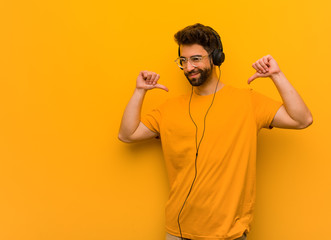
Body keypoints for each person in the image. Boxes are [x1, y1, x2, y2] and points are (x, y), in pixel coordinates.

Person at [118, 23, 313, 240]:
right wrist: (139, 92)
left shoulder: (247, 102)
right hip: (177, 231)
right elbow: (127, 134)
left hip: (228, 234)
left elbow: (302, 119)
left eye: (196, 58)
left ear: (216, 57)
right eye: (183, 60)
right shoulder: (169, 109)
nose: (189, 67)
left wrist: (277, 75)